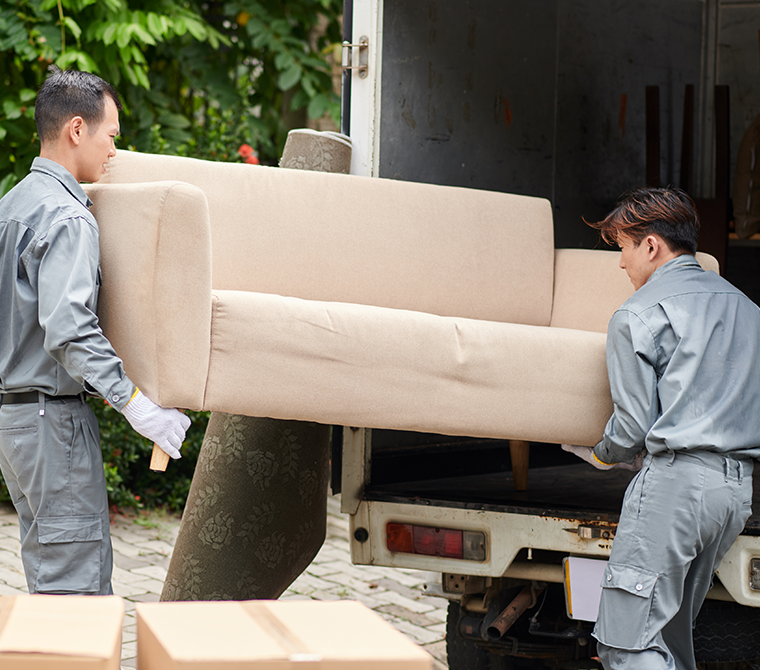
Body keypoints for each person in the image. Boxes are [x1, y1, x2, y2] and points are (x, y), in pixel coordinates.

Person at [0, 68, 190, 595]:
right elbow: (69, 328)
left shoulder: (13, 204)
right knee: (75, 589)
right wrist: (137, 405)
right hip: (51, 423)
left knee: (52, 576)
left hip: (16, 424)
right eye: (111, 135)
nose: (114, 151)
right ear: (77, 129)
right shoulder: (67, 217)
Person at [563, 186, 760, 670]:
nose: (621, 263)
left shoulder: (637, 313)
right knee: (670, 640)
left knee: (627, 645)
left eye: (623, 248)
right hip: (735, 494)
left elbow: (632, 426)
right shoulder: (748, 309)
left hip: (676, 490)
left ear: (651, 245)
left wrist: (599, 453)